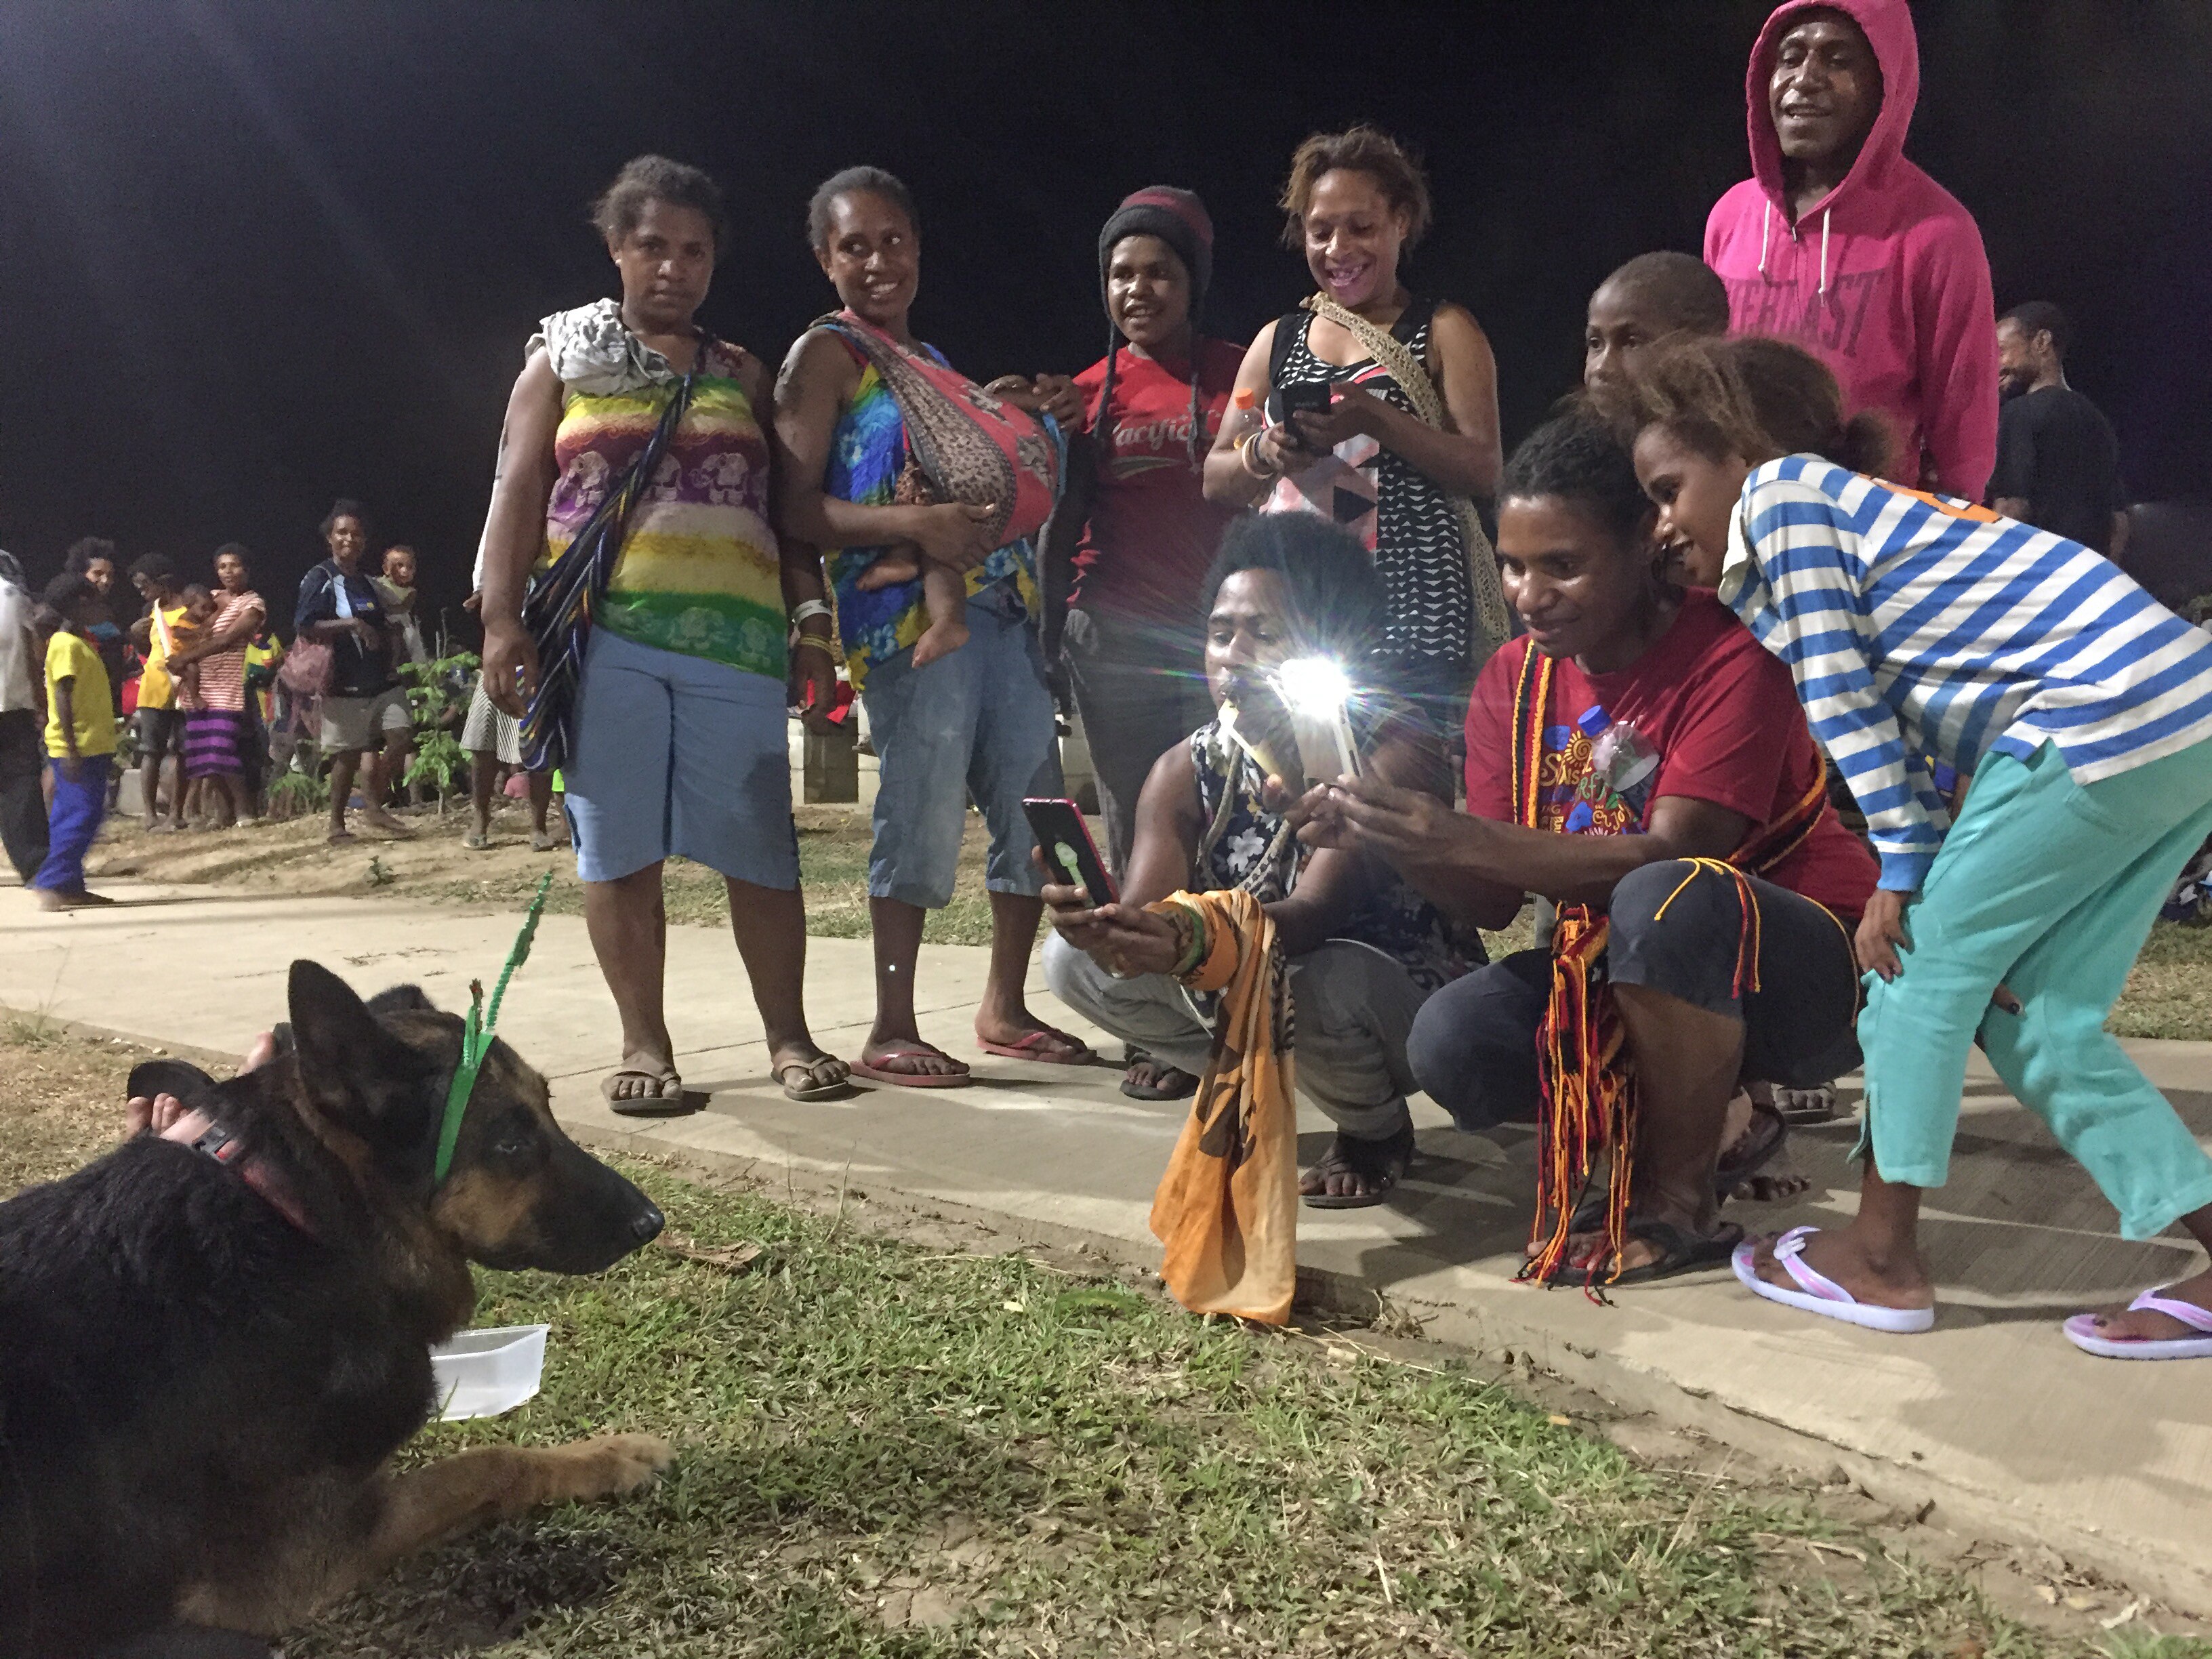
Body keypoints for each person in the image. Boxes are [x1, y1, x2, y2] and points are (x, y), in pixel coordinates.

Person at [1619, 334, 2212, 1350]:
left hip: (2094, 714)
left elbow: (1843, 700)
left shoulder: (1786, 497)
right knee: (2039, 1023)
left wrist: (1902, 868)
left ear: (1737, 449)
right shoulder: (1867, 523)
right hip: (2173, 721)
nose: (1663, 527)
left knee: (1910, 969)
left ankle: (1882, 1259)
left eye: (1670, 490)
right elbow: (1910, 715)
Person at [1296, 411, 1876, 1276]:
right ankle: (1712, 1122)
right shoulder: (1514, 679)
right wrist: (1399, 838)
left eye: (1563, 566)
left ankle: (1677, 1201)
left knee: (1661, 894)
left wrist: (1455, 833)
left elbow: (1679, 856)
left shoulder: (1732, 650)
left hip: (1817, 966)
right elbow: (1491, 898)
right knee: (1452, 1039)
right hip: (1632, 972)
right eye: (1514, 565)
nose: (1530, 595)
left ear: (1646, 540)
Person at [477, 153, 847, 1109]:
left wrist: (811, 624)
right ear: (617, 249)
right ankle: (646, 1048)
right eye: (653, 247)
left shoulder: (740, 371)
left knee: (760, 849)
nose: (674, 268)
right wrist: (501, 618)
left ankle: (789, 1038)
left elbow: (784, 507)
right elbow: (517, 492)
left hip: (738, 645)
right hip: (609, 644)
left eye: (694, 251)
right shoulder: (560, 361)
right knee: (620, 850)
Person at [1042, 512, 1474, 1194]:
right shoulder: (1186, 767)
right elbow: (1149, 913)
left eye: (1264, 633)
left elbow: (1315, 913)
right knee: (1073, 964)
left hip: (1393, 999)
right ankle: (1235, 1073)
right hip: (1258, 965)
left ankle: (1374, 1131)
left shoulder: (1387, 747)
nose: (1232, 654)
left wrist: (1182, 936)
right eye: (1220, 633)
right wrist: (1109, 928)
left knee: (1312, 975)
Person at [772, 164, 1086, 1087]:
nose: (878, 260)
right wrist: (913, 526)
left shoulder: (939, 368)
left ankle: (1005, 1004)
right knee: (919, 806)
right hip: (904, 622)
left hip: (1001, 610)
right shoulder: (825, 357)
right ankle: (893, 1023)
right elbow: (795, 509)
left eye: (892, 240)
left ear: (917, 245)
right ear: (826, 259)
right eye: (853, 245)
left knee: (1041, 806)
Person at [1205, 125, 1509, 699]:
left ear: (1401, 222)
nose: (1338, 249)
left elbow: (1485, 470)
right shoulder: (1277, 340)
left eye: (1362, 227)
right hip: (1297, 612)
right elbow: (1217, 476)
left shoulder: (1443, 331)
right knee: (1294, 776)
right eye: (1321, 232)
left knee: (1399, 777)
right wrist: (1265, 451)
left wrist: (1376, 417)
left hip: (1414, 612)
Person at [1704, 0, 1999, 501]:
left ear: (1886, 86)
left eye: (1838, 61)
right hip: (1733, 541)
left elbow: (1963, 435)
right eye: (1790, 57)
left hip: (1866, 551)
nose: (1805, 78)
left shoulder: (1938, 232)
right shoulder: (1730, 217)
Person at [295, 500, 412, 844]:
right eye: (342, 532)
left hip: (380, 680)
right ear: (329, 538)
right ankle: (336, 826)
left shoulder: (365, 582)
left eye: (356, 534)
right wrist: (351, 624)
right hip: (342, 681)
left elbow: (392, 613)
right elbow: (304, 625)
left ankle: (374, 805)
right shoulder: (320, 577)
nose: (349, 539)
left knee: (401, 734)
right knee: (346, 756)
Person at [1990, 301, 2127, 557]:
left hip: (2037, 575)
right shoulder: (2099, 422)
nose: (1995, 366)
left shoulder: (2020, 413)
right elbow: (2118, 522)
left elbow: (2011, 509)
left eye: (2001, 352)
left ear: (2042, 342)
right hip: (2085, 579)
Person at [32, 572, 118, 910]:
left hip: (91, 744)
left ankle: (70, 885)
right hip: (80, 747)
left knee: (78, 814)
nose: (104, 608)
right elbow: (63, 696)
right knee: (80, 815)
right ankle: (51, 883)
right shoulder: (65, 644)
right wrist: (70, 748)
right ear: (81, 604)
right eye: (98, 601)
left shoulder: (77, 642)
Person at [165, 549, 267, 830]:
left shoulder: (253, 603)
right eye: (222, 566)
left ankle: (245, 811)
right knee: (205, 753)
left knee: (223, 747)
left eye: (234, 565)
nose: (228, 571)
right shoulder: (210, 598)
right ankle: (224, 814)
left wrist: (185, 658)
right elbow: (190, 627)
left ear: (246, 569)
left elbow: (226, 639)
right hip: (199, 684)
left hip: (227, 683)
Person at [125, 554, 192, 833]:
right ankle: (150, 815)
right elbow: (145, 652)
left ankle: (177, 812)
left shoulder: (191, 606)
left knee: (184, 750)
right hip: (154, 687)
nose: (141, 590)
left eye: (144, 584)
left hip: (186, 685)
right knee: (151, 750)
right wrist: (134, 635)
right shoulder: (149, 610)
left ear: (162, 582)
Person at [0, 549, 46, 882]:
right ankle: (34, 865)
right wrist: (41, 705)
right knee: (20, 786)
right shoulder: (15, 598)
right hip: (14, 705)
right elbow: (33, 656)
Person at [62, 537, 128, 710]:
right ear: (80, 575)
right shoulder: (66, 615)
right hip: (77, 707)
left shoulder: (110, 613)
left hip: (107, 704)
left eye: (110, 576)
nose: (106, 581)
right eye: (98, 574)